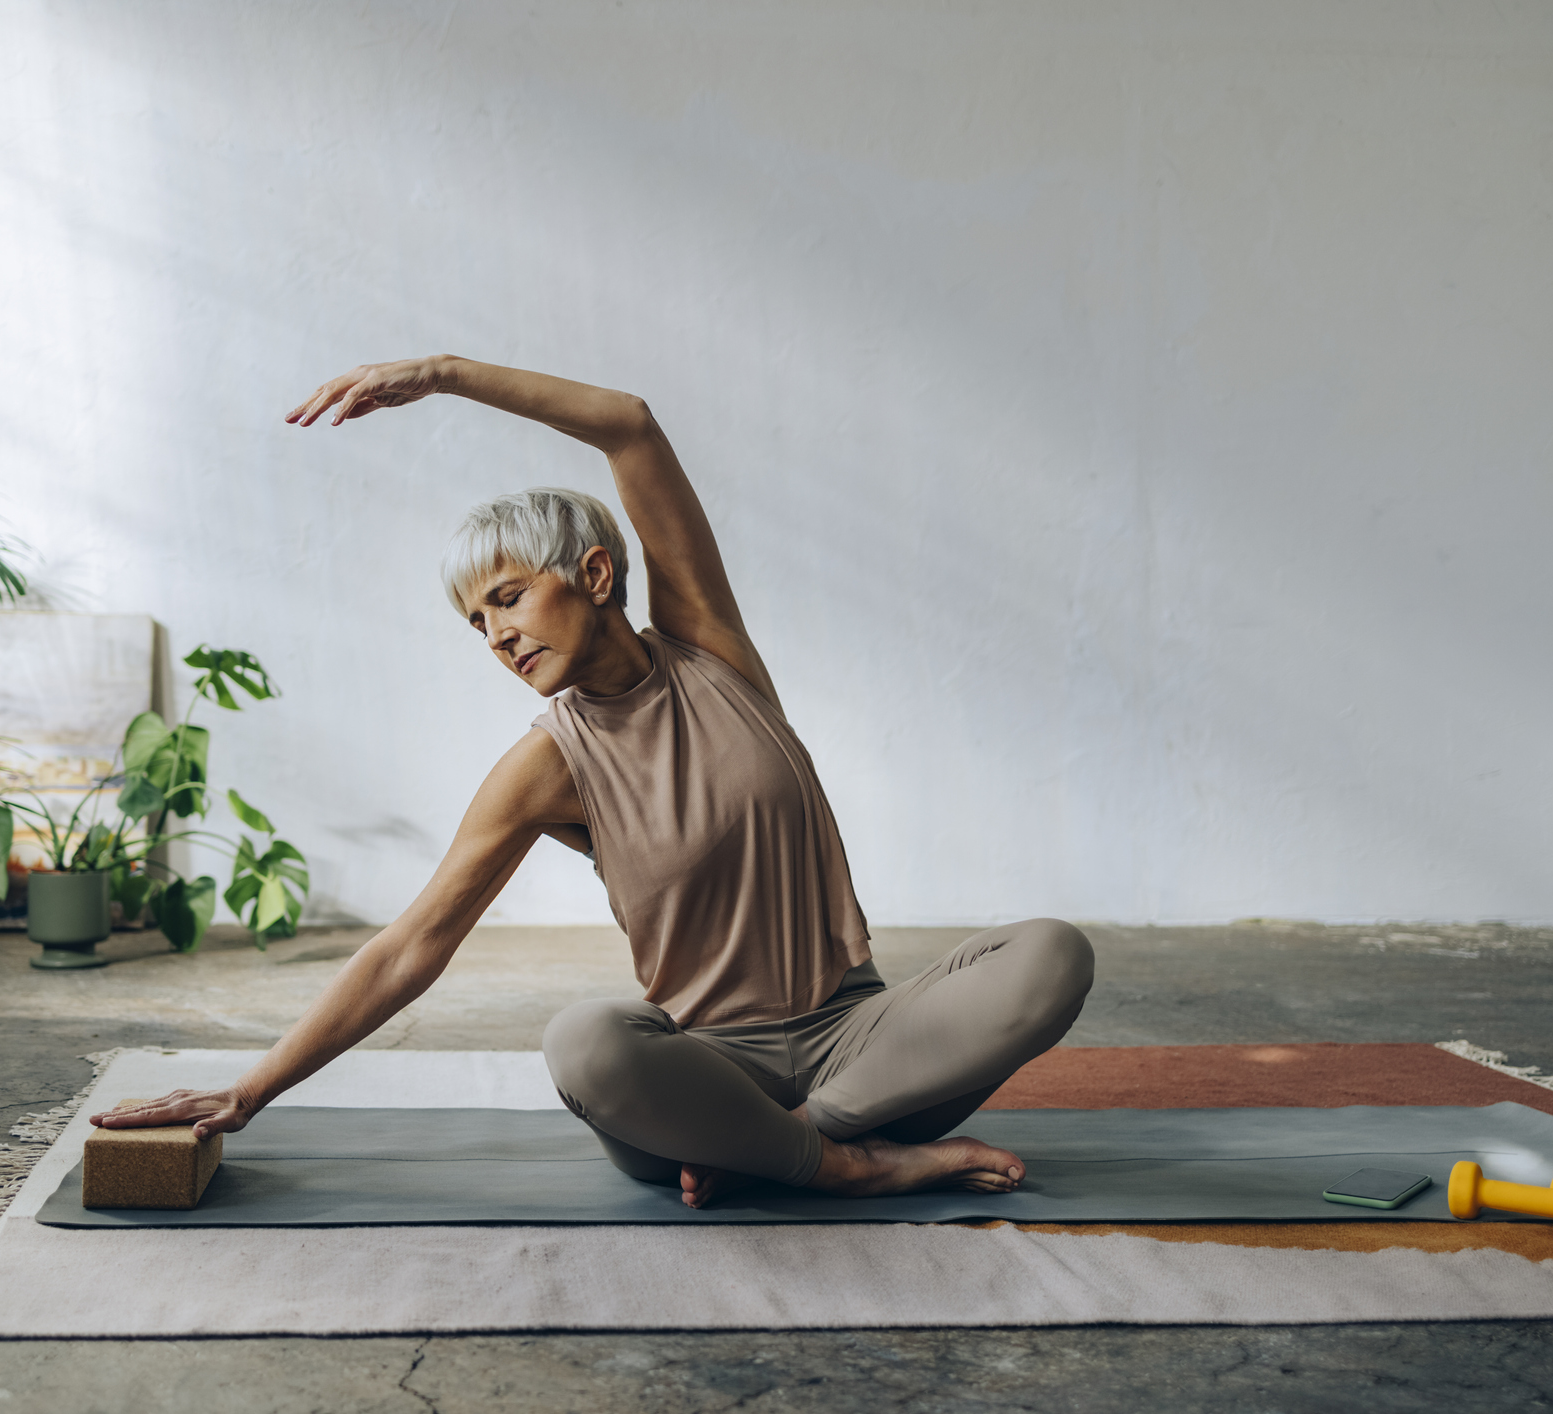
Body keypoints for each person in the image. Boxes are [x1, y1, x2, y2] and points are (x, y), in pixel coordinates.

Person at [90, 356, 1095, 1207]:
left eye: (510, 597)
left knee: (1049, 953)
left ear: (597, 575)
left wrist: (436, 373)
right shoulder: (544, 765)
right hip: (702, 1079)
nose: (497, 636)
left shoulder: (711, 650)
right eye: (477, 623)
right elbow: (410, 946)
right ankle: (839, 1167)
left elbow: (630, 427)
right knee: (584, 1041)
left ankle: (796, 1149)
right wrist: (247, 1091)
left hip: (862, 1052)